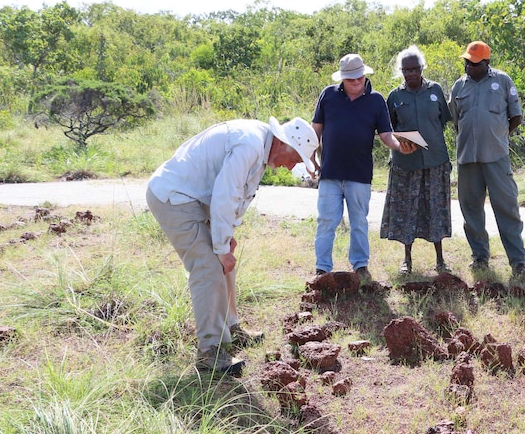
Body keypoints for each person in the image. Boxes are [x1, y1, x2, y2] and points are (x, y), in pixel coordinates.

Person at [146, 117, 318, 375]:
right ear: (283, 143)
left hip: (196, 197)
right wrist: (221, 246)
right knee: (208, 267)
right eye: (294, 158)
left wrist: (226, 237)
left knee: (225, 260)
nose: (290, 166)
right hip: (175, 198)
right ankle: (209, 352)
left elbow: (239, 195)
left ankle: (230, 327)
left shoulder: (262, 148)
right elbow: (225, 194)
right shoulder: (249, 144)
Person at [311, 53, 415, 282]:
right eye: (351, 80)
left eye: (359, 78)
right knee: (326, 220)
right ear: (342, 79)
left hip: (359, 173)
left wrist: (399, 146)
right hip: (330, 172)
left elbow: (386, 134)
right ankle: (322, 269)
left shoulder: (376, 100)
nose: (357, 83)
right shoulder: (328, 96)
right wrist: (309, 155)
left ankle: (360, 265)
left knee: (359, 221)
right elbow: (315, 129)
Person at [448, 40, 525, 281]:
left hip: (496, 156)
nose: (469, 67)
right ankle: (479, 257)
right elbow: (456, 120)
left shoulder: (502, 81)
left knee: (507, 209)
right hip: (467, 157)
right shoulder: (458, 86)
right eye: (466, 62)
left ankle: (518, 262)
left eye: (474, 64)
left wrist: (498, 136)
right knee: (471, 209)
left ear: (486, 63)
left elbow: (515, 117)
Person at [380, 45, 453, 275]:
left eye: (415, 69)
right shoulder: (394, 96)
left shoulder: (436, 90)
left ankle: (440, 260)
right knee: (406, 210)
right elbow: (388, 129)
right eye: (406, 70)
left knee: (435, 209)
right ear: (401, 71)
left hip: (435, 160)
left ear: (422, 68)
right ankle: (407, 261)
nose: (410, 74)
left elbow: (442, 121)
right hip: (406, 163)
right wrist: (403, 142)